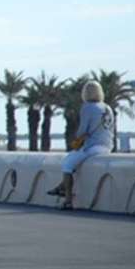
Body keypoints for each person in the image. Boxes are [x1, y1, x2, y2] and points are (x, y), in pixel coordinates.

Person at [47, 80, 113, 209]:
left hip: (92, 146)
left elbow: (82, 131)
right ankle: (61, 186)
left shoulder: (88, 107)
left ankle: (67, 200)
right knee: (73, 160)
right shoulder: (107, 108)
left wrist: (78, 138)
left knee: (67, 164)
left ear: (85, 93)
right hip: (107, 146)